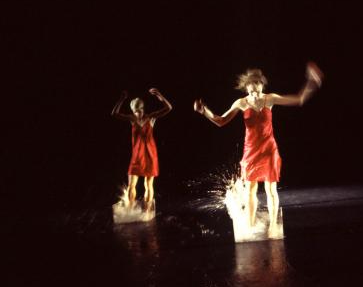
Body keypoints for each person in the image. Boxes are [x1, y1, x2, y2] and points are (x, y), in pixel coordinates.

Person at [194, 62, 323, 235]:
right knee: (250, 190)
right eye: (251, 85)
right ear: (246, 87)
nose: (255, 88)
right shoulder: (241, 103)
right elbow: (220, 120)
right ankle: (250, 223)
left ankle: (272, 226)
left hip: (269, 149)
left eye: (258, 84)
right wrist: (205, 111)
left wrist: (312, 83)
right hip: (250, 151)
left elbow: (298, 99)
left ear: (262, 85)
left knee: (271, 190)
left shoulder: (269, 99)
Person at [111, 88, 173, 212]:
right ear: (132, 111)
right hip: (136, 156)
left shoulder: (151, 117)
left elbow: (169, 108)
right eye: (135, 111)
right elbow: (114, 114)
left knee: (148, 185)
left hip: (150, 155)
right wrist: (121, 100)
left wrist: (160, 95)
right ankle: (130, 210)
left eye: (139, 110)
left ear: (143, 109)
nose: (137, 113)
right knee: (131, 185)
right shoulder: (132, 119)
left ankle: (148, 210)